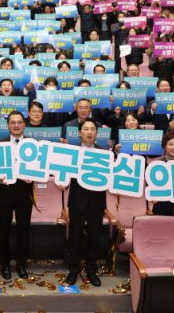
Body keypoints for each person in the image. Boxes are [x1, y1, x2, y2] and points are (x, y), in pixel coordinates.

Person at [65, 118, 106, 287]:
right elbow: (64, 174)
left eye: (93, 129)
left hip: (97, 201)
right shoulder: (72, 152)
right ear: (79, 132)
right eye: (86, 129)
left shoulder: (105, 153)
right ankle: (73, 270)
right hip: (77, 201)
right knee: (75, 237)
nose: (89, 132)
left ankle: (91, 270)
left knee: (94, 237)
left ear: (97, 133)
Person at [0, 111, 33, 280]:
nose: (16, 125)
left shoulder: (33, 145)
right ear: (8, 125)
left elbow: (40, 168)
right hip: (4, 192)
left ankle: (21, 264)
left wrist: (33, 176)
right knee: (3, 230)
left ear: (24, 124)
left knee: (24, 230)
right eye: (13, 122)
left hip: (25, 193)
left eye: (19, 122)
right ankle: (5, 264)